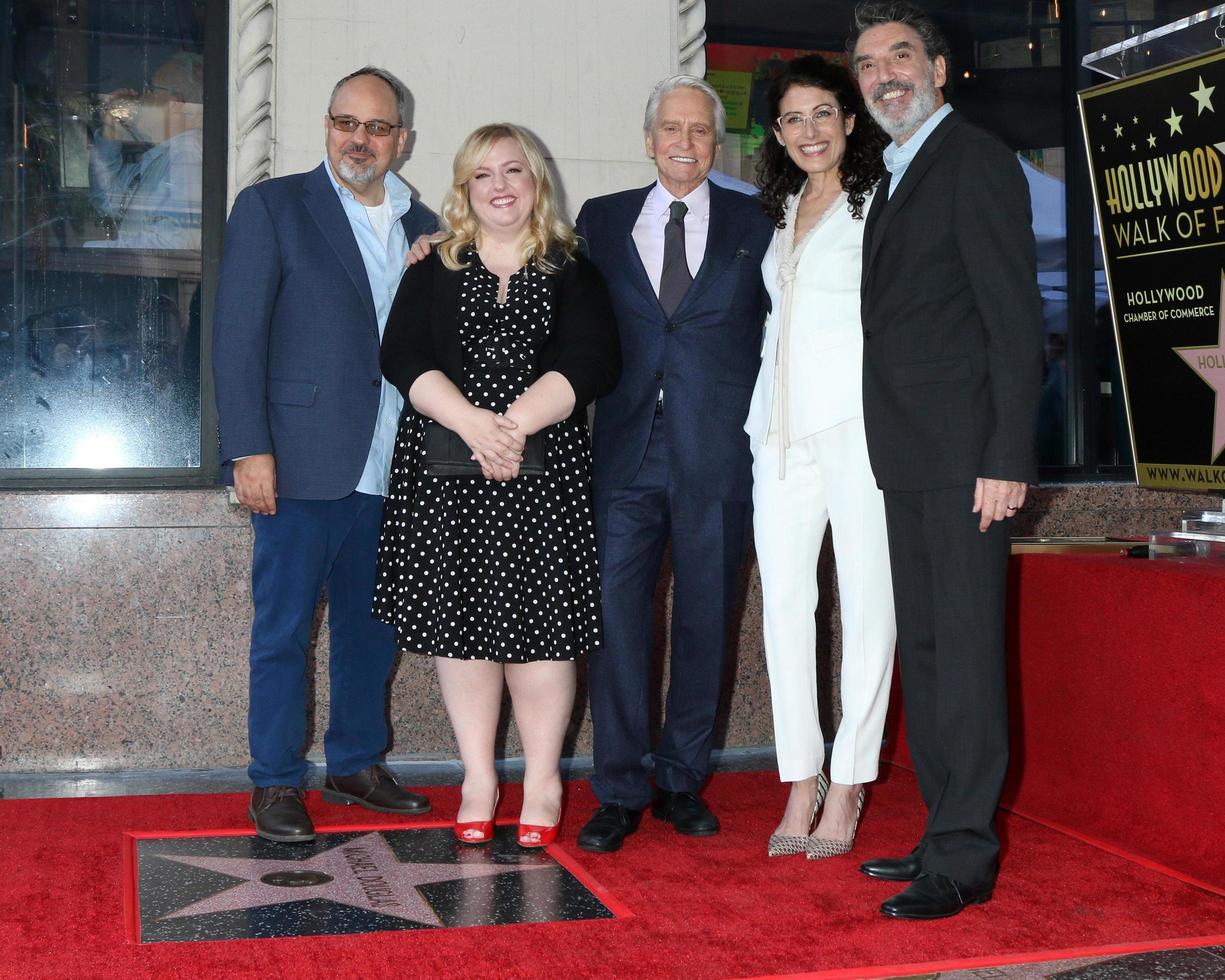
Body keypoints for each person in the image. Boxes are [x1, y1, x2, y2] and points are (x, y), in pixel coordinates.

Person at [374, 124, 620, 849]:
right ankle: (478, 777)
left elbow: (594, 357)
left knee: (543, 635)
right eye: (483, 175)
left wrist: (507, 427)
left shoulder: (571, 266)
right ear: (465, 189)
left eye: (513, 170)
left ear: (535, 181)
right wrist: (472, 427)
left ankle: (541, 779)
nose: (500, 185)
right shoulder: (431, 266)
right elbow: (403, 353)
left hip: (544, 480)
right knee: (463, 633)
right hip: (449, 478)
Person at [848, 2, 1043, 918]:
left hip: (968, 459)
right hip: (908, 456)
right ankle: (939, 831)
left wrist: (1007, 454)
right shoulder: (893, 173)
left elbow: (1013, 322)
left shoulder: (972, 159)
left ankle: (964, 859)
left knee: (963, 654)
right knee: (925, 653)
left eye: (898, 56)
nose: (882, 74)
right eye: (866, 64)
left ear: (936, 68)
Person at [212, 66, 438, 843]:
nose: (359, 139)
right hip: (300, 461)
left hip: (395, 465)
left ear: (401, 139)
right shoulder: (274, 207)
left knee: (371, 631)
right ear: (326, 126)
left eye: (377, 128)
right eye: (346, 122)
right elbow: (237, 335)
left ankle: (355, 763)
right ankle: (275, 781)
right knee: (283, 630)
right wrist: (248, 448)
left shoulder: (426, 225)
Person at [575, 76, 773, 853]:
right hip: (623, 453)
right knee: (616, 624)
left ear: (714, 143)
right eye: (670, 128)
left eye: (699, 130)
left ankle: (680, 781)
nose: (684, 142)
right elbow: (544, 281)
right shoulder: (601, 219)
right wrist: (438, 245)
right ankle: (619, 788)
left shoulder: (758, 221)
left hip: (719, 454)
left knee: (703, 622)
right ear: (648, 137)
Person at [746, 55, 896, 860]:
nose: (808, 131)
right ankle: (799, 775)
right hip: (775, 431)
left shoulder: (880, 202)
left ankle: (848, 783)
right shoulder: (780, 207)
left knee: (870, 606)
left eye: (822, 114)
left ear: (848, 119)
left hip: (858, 428)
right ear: (777, 134)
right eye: (792, 119)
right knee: (783, 610)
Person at [89, 52, 204, 250]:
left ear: (175, 104)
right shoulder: (164, 156)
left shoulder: (187, 155)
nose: (143, 97)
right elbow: (106, 199)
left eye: (150, 89)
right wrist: (112, 127)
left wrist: (95, 251)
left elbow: (173, 244)